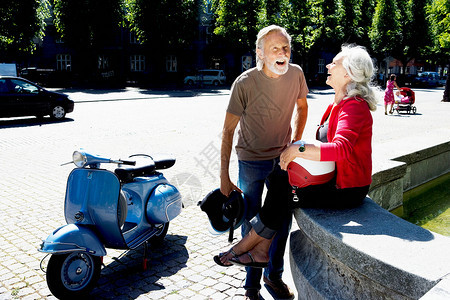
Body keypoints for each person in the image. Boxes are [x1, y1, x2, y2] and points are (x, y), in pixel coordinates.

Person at [215, 44, 378, 277]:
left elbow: (341, 149)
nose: (329, 66)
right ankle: (261, 249)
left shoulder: (355, 107)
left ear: (349, 73)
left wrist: (298, 148)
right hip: (333, 180)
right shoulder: (337, 105)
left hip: (347, 189)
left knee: (283, 192)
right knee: (280, 178)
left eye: (335, 62)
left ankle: (248, 246)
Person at [218, 25, 308, 300]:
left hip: (282, 159)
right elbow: (228, 130)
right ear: (260, 53)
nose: (283, 54)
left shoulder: (296, 74)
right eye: (275, 49)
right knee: (251, 221)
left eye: (286, 48)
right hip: (251, 160)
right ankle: (251, 287)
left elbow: (303, 106)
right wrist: (224, 175)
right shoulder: (244, 83)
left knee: (281, 221)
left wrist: (295, 142)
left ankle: (273, 276)